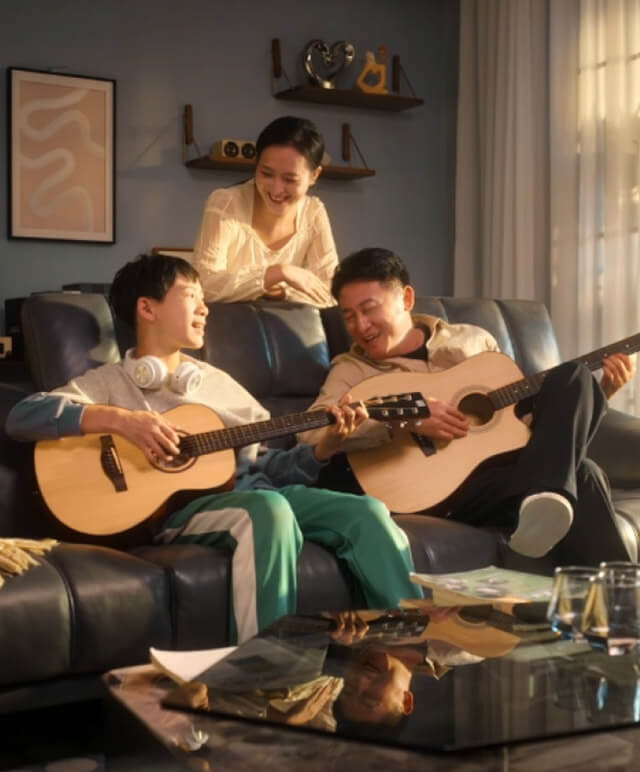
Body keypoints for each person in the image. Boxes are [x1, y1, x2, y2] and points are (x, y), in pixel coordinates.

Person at [5, 254, 425, 643]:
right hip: (180, 510)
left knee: (367, 513)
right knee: (267, 510)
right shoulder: (110, 383)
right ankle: (264, 669)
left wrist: (326, 446)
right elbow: (23, 416)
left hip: (256, 493)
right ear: (147, 308)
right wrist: (123, 419)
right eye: (192, 297)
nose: (205, 309)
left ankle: (410, 648)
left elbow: (269, 468)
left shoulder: (218, 383)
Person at [298, 247, 635, 564]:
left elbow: (524, 422)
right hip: (435, 490)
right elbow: (311, 432)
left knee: (575, 375)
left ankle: (553, 507)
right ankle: (555, 503)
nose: (360, 326)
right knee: (583, 474)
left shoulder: (472, 340)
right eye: (349, 316)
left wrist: (600, 393)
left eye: (369, 309)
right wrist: (406, 418)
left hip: (502, 471)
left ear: (407, 298)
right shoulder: (351, 369)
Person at [192, 116, 338, 307]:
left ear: (314, 176)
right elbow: (204, 285)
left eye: (290, 179)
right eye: (266, 174)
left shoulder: (313, 212)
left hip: (288, 323)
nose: (276, 190)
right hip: (227, 322)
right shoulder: (225, 203)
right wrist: (281, 272)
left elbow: (329, 295)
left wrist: (280, 291)